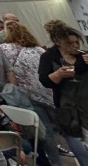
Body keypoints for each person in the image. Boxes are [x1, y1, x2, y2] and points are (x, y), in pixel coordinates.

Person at [0, 22, 60, 166]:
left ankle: (41, 159)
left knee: (34, 130)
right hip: (48, 92)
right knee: (53, 130)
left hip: (25, 96)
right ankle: (56, 161)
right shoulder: (37, 49)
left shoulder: (4, 49)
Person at [39, 20, 88, 166]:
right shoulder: (49, 57)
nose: (75, 46)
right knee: (80, 148)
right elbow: (45, 81)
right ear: (58, 42)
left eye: (77, 43)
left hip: (86, 104)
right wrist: (58, 74)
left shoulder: (83, 56)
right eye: (69, 43)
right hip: (67, 109)